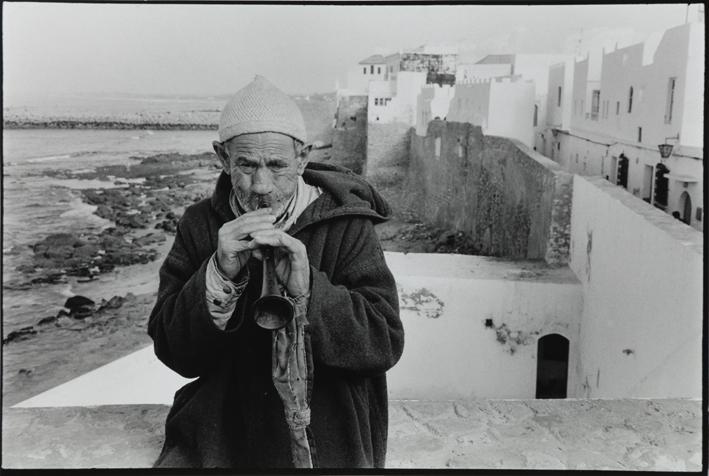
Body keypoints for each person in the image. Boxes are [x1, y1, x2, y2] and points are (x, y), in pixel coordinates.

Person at [148, 75, 404, 469]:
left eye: (278, 165)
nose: (262, 185)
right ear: (222, 157)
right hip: (230, 430)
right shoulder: (200, 224)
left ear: (303, 158)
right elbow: (174, 352)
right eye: (246, 165)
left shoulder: (346, 223)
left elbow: (384, 341)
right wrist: (218, 275)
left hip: (332, 427)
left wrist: (310, 292)